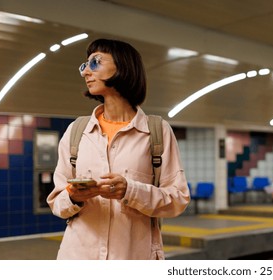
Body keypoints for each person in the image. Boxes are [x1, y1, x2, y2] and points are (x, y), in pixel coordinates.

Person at [47, 38, 190, 260]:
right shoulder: (76, 131)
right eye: (84, 66)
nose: (86, 72)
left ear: (123, 66)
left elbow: (177, 199)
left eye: (95, 62)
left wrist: (130, 191)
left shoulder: (156, 132)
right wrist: (73, 196)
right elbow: (57, 203)